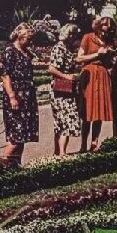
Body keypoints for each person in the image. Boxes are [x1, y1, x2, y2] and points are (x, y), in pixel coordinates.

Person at [0, 23, 40, 167]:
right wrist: (12, 96)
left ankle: (16, 167)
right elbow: (5, 76)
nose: (30, 42)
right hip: (16, 97)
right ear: (20, 36)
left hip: (27, 97)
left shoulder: (26, 52)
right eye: (28, 39)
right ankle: (1, 167)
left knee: (23, 135)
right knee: (16, 136)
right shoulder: (9, 51)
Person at [78, 16, 116, 151]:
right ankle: (83, 143)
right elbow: (79, 58)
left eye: (109, 28)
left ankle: (94, 142)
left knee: (99, 111)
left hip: (102, 75)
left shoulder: (108, 41)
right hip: (90, 73)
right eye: (105, 26)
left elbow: (109, 63)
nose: (107, 30)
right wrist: (97, 54)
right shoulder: (88, 37)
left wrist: (111, 57)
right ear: (99, 26)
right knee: (88, 111)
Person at [47, 24, 83, 155]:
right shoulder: (59, 48)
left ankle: (58, 152)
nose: (74, 37)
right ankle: (62, 153)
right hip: (61, 90)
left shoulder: (66, 48)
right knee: (66, 120)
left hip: (67, 90)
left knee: (62, 121)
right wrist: (67, 76)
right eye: (73, 34)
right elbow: (51, 68)